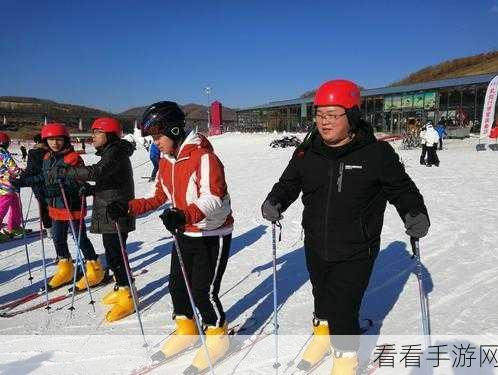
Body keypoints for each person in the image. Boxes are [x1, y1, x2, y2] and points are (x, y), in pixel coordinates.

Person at [261, 79, 430, 375]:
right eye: (319, 115)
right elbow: (289, 183)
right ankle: (322, 335)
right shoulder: (307, 152)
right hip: (315, 242)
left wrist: (414, 213)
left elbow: (402, 189)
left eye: (332, 115)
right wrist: (276, 200)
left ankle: (346, 359)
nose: (324, 122)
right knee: (322, 295)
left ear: (351, 116)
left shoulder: (376, 155)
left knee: (343, 304)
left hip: (357, 247)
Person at [107, 101, 233, 372]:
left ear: (174, 130)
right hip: (184, 232)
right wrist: (127, 207)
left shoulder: (204, 157)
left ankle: (217, 334)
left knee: (203, 291)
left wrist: (183, 215)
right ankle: (186, 329)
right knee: (177, 286)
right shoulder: (166, 161)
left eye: (157, 137)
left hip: (212, 232)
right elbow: (158, 197)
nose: (156, 144)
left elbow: (213, 198)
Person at [48, 117, 136, 322]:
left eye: (97, 132)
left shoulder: (115, 152)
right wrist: (91, 189)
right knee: (113, 255)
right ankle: (122, 287)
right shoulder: (111, 152)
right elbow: (109, 179)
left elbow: (97, 171)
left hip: (116, 211)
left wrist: (66, 172)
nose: (93, 136)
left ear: (109, 134)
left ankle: (128, 296)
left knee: (117, 255)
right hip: (109, 208)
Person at [13, 123, 103, 289]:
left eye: (58, 139)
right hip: (55, 207)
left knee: (80, 239)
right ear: (46, 141)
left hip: (72, 206)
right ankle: (66, 268)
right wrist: (23, 182)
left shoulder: (73, 158)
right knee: (57, 238)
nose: (55, 143)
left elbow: (79, 183)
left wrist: (61, 188)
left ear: (65, 140)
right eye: (51, 140)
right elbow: (44, 177)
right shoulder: (48, 158)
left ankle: (95, 268)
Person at [18, 134, 52, 236]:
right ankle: (56, 225)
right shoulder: (51, 152)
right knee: (53, 203)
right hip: (50, 181)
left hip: (37, 183)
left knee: (43, 204)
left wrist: (23, 177)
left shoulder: (33, 152)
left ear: (36, 142)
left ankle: (49, 228)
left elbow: (31, 169)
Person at [0, 132, 24, 241]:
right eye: (7, 143)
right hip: (6, 185)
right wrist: (21, 172)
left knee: (15, 205)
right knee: (2, 208)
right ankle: (13, 226)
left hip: (6, 184)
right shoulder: (2, 152)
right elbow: (12, 167)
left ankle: (14, 226)